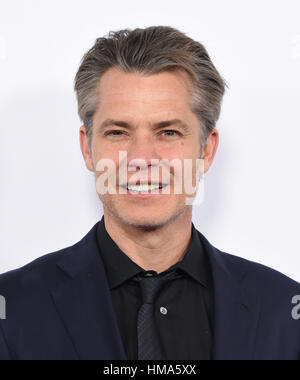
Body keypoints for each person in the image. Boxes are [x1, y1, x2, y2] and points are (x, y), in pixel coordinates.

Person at [0, 26, 299, 360]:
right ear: (87, 148)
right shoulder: (11, 310)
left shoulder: (284, 313)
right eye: (117, 132)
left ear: (206, 151)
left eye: (168, 132)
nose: (141, 158)